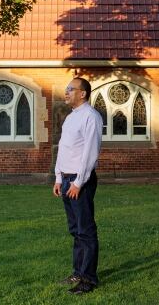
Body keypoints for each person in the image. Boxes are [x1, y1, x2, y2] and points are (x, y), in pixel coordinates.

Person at [53, 77, 103, 295]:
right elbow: (64, 149)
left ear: (82, 93)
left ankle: (88, 279)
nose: (66, 93)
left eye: (70, 89)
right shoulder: (71, 118)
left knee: (85, 230)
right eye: (66, 90)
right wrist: (58, 178)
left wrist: (78, 182)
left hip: (79, 180)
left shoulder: (91, 117)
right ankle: (77, 272)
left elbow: (90, 153)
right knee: (75, 230)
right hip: (65, 179)